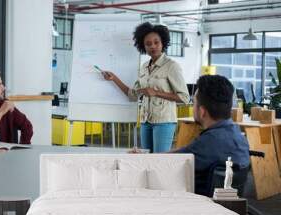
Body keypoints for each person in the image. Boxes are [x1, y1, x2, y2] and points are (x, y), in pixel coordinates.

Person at [102, 22, 189, 152]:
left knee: (159, 161)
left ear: (163, 43)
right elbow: (132, 95)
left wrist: (156, 93)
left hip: (164, 122)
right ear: (143, 46)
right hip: (145, 121)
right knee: (146, 160)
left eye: (156, 42)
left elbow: (185, 98)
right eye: (148, 44)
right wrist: (114, 79)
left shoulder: (172, 66)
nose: (153, 46)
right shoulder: (143, 67)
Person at [172, 75, 250, 196]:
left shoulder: (208, 143)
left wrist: (142, 156)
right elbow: (185, 152)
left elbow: (167, 162)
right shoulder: (239, 136)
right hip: (230, 207)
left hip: (199, 207)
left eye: (194, 103)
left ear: (202, 112)